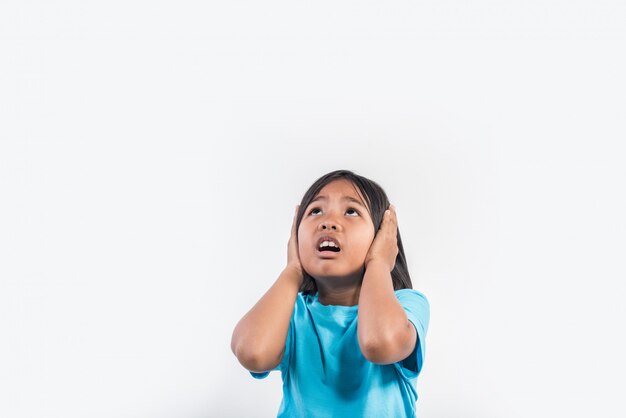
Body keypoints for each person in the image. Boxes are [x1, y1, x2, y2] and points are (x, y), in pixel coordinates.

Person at [231, 169, 430, 417]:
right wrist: (293, 270)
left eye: (351, 211)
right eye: (315, 211)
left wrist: (379, 264)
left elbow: (380, 343)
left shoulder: (407, 305)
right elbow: (252, 353)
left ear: (383, 238)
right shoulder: (291, 313)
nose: (328, 221)